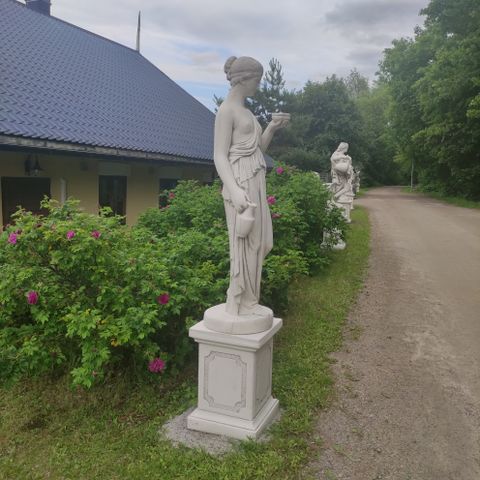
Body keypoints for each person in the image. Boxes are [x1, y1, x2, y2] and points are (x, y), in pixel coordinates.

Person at [214, 56, 290, 317]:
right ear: (244, 79)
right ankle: (239, 300)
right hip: (240, 182)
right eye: (257, 80)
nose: (258, 85)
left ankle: (249, 299)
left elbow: (257, 150)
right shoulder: (226, 110)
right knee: (244, 242)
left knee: (262, 243)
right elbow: (219, 155)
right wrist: (234, 190)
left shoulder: (247, 112)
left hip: (256, 178)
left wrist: (272, 128)